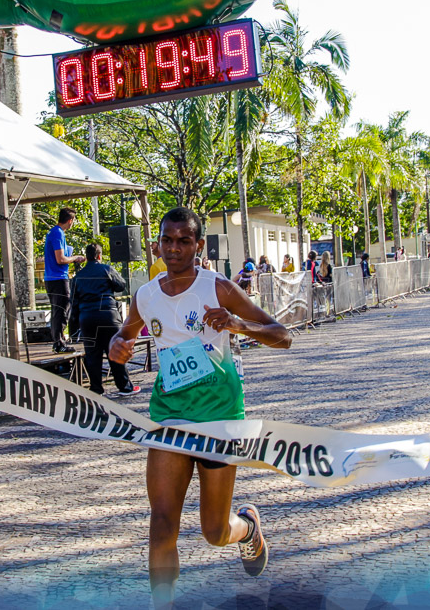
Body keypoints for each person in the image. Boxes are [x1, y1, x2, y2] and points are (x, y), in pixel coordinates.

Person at [108, 207, 292, 609]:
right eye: (167, 240)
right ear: (156, 243)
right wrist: (116, 349)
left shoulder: (218, 288)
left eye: (184, 241)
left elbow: (282, 335)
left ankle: (246, 529)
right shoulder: (146, 294)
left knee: (213, 530)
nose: (174, 249)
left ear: (198, 245)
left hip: (219, 418)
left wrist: (240, 326)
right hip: (170, 416)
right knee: (161, 525)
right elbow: (124, 335)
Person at [70, 244, 140, 397]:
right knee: (115, 348)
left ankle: (96, 389)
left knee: (92, 354)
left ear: (87, 257)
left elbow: (73, 304)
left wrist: (73, 327)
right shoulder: (106, 269)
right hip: (108, 315)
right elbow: (121, 285)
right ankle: (124, 386)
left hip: (87, 317)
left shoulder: (77, 277)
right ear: (99, 256)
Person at [44, 207, 86, 353]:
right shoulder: (58, 233)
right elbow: (60, 259)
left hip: (52, 277)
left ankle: (58, 340)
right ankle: (59, 342)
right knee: (62, 310)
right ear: (70, 220)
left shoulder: (54, 232)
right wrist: (76, 258)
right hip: (58, 278)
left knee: (58, 310)